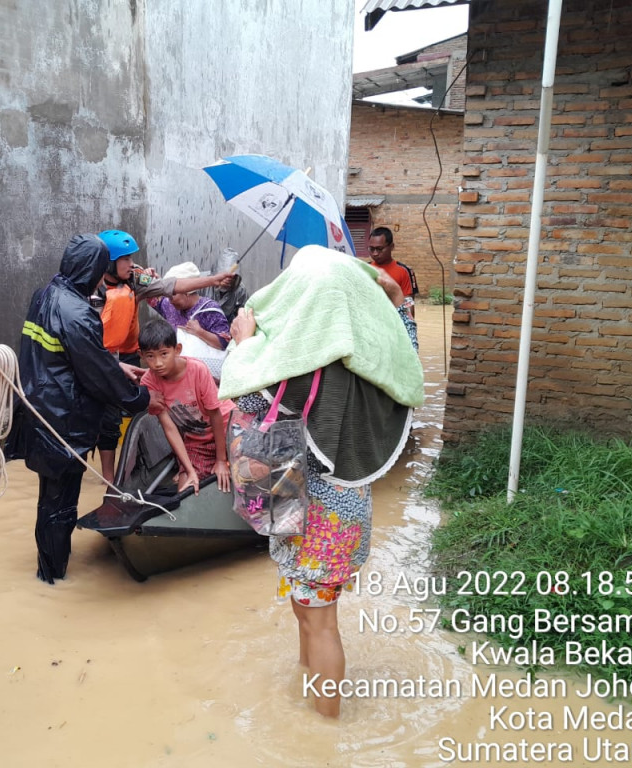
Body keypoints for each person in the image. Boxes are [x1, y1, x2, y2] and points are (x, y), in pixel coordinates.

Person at [220, 246, 424, 719]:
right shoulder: (378, 358)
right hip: (343, 509)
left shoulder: (291, 363)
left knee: (320, 622)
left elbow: (246, 401)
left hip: (308, 509)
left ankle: (322, 733)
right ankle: (307, 689)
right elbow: (410, 368)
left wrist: (243, 342)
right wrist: (398, 306)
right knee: (307, 609)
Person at [5, 234, 165, 585]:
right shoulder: (78, 313)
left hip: (40, 413)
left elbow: (70, 358)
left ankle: (47, 571)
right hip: (64, 422)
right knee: (61, 505)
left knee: (49, 499)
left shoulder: (45, 295)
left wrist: (116, 366)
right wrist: (141, 400)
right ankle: (53, 578)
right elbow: (98, 377)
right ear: (94, 269)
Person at [94, 230, 235, 484]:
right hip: (100, 355)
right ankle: (108, 480)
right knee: (106, 416)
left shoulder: (135, 279)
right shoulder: (93, 289)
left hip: (125, 353)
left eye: (131, 258)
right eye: (124, 259)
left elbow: (173, 286)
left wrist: (213, 280)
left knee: (119, 415)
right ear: (108, 263)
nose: (131, 263)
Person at [137, 319, 233, 495]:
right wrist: (189, 470)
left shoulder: (197, 370)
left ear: (177, 350)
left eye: (164, 354)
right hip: (197, 441)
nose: (157, 363)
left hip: (228, 430)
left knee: (247, 471)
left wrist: (221, 460)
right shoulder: (149, 383)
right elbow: (170, 428)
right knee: (186, 491)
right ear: (141, 356)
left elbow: (216, 415)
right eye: (150, 356)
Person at [367, 226, 417, 316]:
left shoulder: (404, 271)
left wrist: (408, 327)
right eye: (371, 249)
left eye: (379, 249)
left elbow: (408, 304)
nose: (375, 253)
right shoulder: (365, 269)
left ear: (392, 246)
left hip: (393, 321)